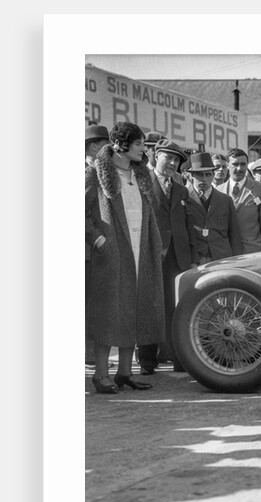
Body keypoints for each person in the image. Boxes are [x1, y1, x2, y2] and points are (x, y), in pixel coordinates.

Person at [85, 122, 164, 394]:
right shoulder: (95, 174)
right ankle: (100, 374)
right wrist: (99, 240)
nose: (145, 150)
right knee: (109, 313)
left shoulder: (141, 175)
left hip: (140, 248)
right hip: (112, 252)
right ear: (121, 145)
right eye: (140, 144)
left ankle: (124, 373)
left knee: (135, 308)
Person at [135, 139, 196, 374]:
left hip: (178, 257)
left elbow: (188, 225)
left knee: (176, 306)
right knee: (150, 305)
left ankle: (178, 357)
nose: (172, 163)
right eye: (167, 157)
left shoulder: (181, 189)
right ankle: (147, 362)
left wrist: (191, 258)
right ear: (155, 155)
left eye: (177, 160)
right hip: (150, 252)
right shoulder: (141, 182)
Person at [184, 152, 243, 264]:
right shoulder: (184, 197)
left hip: (222, 258)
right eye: (200, 175)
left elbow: (234, 234)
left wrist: (237, 261)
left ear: (213, 175)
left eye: (208, 174)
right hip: (195, 259)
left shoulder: (225, 200)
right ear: (192, 176)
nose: (204, 179)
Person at [84, 124, 111, 365]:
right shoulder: (89, 173)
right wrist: (98, 238)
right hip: (88, 252)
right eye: (105, 145)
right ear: (93, 147)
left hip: (93, 251)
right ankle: (90, 354)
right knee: (89, 303)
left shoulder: (97, 171)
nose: (109, 150)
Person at [214, 148, 261, 254]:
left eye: (243, 164)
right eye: (235, 164)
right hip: (227, 253)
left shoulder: (260, 189)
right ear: (228, 165)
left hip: (253, 252)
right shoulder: (218, 191)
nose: (239, 168)